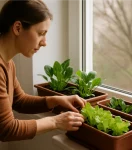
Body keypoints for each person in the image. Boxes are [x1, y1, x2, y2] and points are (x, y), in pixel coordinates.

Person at [0, 0, 85, 142]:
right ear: (18, 28)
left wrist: (55, 100)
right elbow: (7, 129)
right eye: (41, 33)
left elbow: (19, 100)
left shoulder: (8, 63)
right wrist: (55, 122)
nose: (44, 42)